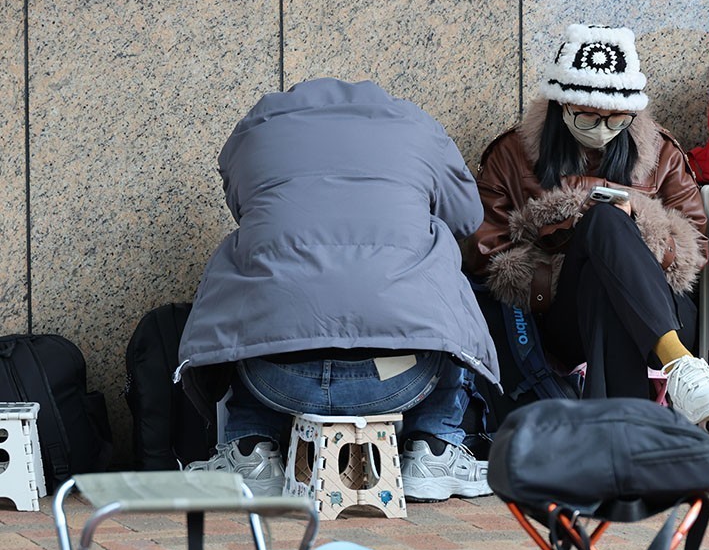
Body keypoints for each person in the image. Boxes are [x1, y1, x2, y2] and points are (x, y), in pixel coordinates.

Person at [178, 78, 500, 500]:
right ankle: (435, 446)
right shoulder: (417, 127)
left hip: (275, 380)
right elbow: (465, 218)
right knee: (437, 253)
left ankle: (250, 448)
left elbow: (242, 204)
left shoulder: (258, 129)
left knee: (259, 264)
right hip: (401, 376)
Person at [461, 23, 709, 423]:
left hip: (659, 307)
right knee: (599, 236)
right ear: (561, 106)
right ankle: (680, 370)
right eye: (588, 118)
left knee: (607, 247)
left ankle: (619, 431)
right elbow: (485, 250)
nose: (603, 131)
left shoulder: (661, 150)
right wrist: (568, 236)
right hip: (560, 317)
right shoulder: (512, 152)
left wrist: (635, 226)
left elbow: (693, 244)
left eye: (617, 120)